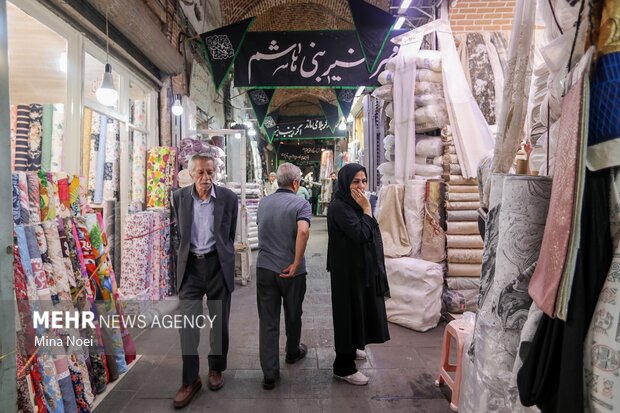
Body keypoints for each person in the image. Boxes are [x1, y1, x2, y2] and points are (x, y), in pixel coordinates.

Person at [171, 154, 239, 408]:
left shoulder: (229, 198)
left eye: (210, 172)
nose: (205, 178)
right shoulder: (179, 198)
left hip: (217, 265)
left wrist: (223, 258)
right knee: (188, 327)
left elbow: (228, 235)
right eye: (200, 173)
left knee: (219, 323)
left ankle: (216, 368)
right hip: (190, 268)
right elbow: (181, 234)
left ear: (216, 173)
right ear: (190, 174)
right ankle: (190, 380)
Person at [326, 163, 390, 386]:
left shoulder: (351, 205)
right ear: (345, 183)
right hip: (346, 274)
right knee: (347, 316)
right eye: (355, 181)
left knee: (358, 312)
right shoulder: (339, 207)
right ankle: (343, 366)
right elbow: (362, 233)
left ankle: (353, 348)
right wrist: (367, 211)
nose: (361, 186)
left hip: (357, 270)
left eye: (363, 181)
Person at [256, 163, 312, 390]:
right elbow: (303, 230)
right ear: (296, 183)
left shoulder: (263, 202)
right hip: (292, 272)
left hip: (265, 269)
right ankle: (292, 352)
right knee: (293, 314)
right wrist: (296, 262)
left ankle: (269, 374)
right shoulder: (301, 203)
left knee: (268, 321)